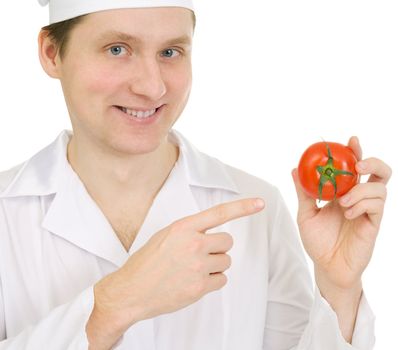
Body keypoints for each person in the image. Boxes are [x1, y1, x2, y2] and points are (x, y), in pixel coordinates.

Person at [0, 0, 392, 349]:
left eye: (170, 51)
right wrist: (114, 304)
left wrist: (339, 288)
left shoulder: (256, 209)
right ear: (52, 53)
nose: (152, 86)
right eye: (117, 49)